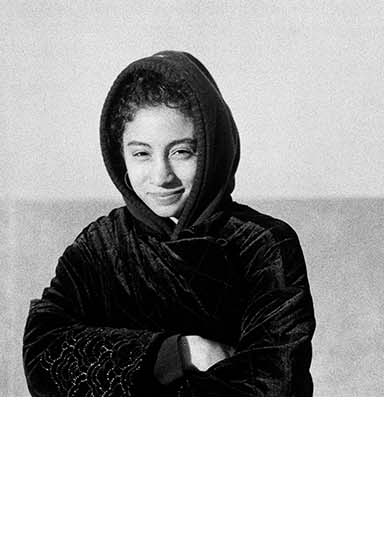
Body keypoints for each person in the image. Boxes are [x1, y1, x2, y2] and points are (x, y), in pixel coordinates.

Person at [23, 51, 315, 395]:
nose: (160, 176)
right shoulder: (100, 246)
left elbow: (275, 384)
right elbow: (43, 353)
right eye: (141, 153)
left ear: (212, 150)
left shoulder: (262, 245)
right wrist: (178, 353)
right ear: (121, 156)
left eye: (181, 151)